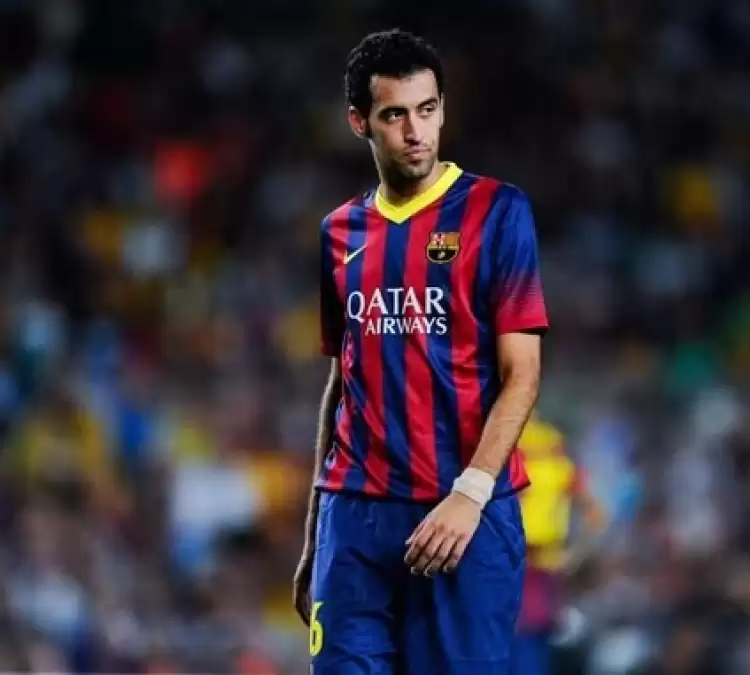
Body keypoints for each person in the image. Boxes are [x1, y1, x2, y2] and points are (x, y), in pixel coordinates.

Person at [291, 28, 549, 675]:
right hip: (354, 520)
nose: (415, 132)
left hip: (461, 513)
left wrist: (470, 493)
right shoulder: (339, 232)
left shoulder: (496, 212)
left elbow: (522, 373)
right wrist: (315, 535)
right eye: (394, 115)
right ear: (359, 122)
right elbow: (341, 382)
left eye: (427, 110)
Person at [511, 414, 604, 675]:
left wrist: (574, 556)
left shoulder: (507, 451)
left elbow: (595, 515)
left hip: (518, 563)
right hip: (546, 564)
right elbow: (596, 516)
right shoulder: (559, 459)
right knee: (534, 644)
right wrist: (572, 557)